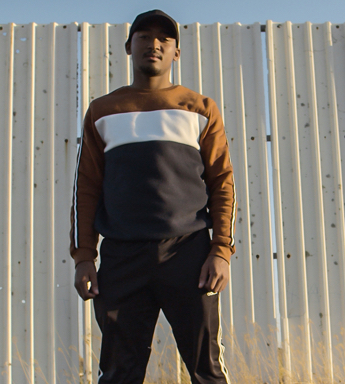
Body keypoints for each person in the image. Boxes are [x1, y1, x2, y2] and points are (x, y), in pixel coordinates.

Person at [70, 9, 236, 384]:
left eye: (164, 39)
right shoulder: (103, 111)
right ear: (129, 47)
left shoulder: (200, 109)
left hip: (189, 255)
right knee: (118, 374)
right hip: (122, 258)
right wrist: (84, 256)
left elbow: (222, 183)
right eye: (144, 36)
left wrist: (220, 250)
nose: (154, 44)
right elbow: (87, 188)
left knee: (207, 371)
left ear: (176, 52)